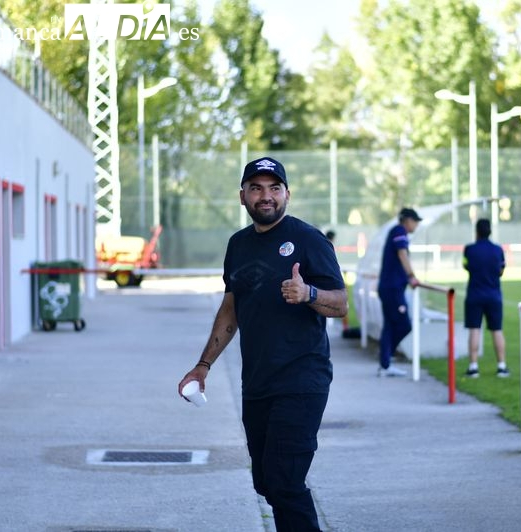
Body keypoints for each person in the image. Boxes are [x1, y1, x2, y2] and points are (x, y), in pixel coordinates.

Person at [178, 156, 348, 532]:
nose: (265, 196)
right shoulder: (238, 245)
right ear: (243, 197)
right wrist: (202, 365)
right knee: (267, 482)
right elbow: (230, 308)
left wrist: (308, 293)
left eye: (274, 188)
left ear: (288, 194)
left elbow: (340, 303)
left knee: (285, 482)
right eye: (256, 188)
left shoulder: (308, 240)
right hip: (257, 384)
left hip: (302, 381)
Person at [376, 207, 422, 377]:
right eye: (415, 221)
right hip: (393, 289)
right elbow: (402, 254)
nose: (416, 224)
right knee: (404, 325)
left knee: (390, 325)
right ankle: (386, 356)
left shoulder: (396, 231)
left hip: (391, 288)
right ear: (407, 220)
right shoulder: (399, 231)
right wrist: (412, 276)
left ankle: (385, 362)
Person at [463, 218, 510, 378]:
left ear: (476, 231)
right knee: (497, 330)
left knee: (474, 330)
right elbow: (501, 270)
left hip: (474, 295)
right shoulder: (498, 250)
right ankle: (502, 366)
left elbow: (466, 266)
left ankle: (473, 366)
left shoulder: (469, 249)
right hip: (494, 295)